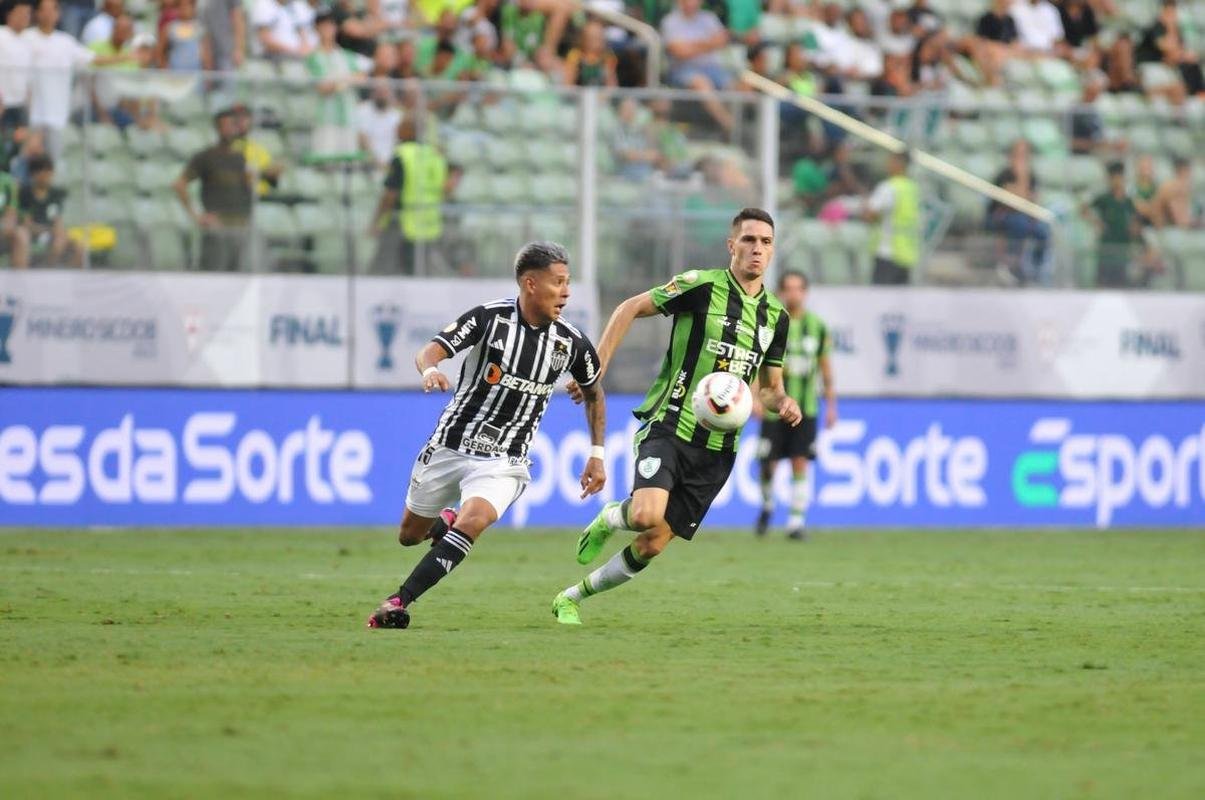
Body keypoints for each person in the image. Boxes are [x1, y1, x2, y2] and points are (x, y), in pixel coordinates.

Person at [552, 208, 802, 626]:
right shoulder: (700, 286)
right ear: (731, 245)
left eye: (765, 242)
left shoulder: (776, 317)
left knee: (652, 543)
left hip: (719, 450)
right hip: (671, 424)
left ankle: (572, 596)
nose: (757, 249)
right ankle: (612, 516)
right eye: (749, 240)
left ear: (772, 250)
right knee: (646, 514)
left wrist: (784, 402)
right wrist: (596, 369)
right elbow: (629, 307)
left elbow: (769, 389)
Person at [367, 241, 607, 629]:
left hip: (505, 460)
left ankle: (399, 600)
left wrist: (596, 453)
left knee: (474, 520)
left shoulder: (571, 342)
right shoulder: (488, 319)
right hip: (450, 445)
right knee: (410, 535)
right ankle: (444, 521)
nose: (566, 292)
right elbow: (430, 352)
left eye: (568, 283)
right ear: (530, 284)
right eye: (558, 282)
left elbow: (594, 391)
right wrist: (430, 371)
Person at [753, 270, 835, 540]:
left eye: (798, 288)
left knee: (800, 462)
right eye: (788, 288)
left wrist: (832, 406)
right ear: (782, 292)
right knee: (768, 465)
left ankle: (796, 522)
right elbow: (757, 364)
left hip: (806, 408)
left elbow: (825, 369)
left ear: (805, 292)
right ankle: (767, 505)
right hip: (773, 408)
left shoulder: (818, 326)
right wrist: (754, 398)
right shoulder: (771, 322)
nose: (793, 293)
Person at [369, 115, 453, 274]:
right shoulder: (435, 154)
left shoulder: (402, 154)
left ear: (407, 132)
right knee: (421, 273)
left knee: (384, 271)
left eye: (400, 128)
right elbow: (445, 188)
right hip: (429, 223)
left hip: (402, 222)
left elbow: (390, 194)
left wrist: (377, 221)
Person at [172, 108, 254, 271]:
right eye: (228, 125)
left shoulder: (241, 158)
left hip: (241, 226)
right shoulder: (206, 157)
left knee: (238, 280)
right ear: (218, 128)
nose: (232, 129)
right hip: (216, 228)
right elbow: (179, 184)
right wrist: (196, 216)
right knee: (214, 275)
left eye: (235, 125)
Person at [22, 0, 95, 161]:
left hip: (57, 116)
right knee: (26, 161)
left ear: (58, 13)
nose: (48, 14)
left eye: (52, 10)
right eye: (44, 10)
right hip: (30, 116)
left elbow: (92, 59)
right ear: (37, 13)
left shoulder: (66, 42)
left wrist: (129, 56)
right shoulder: (26, 38)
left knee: (51, 163)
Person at [306, 5, 368, 158]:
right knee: (326, 162)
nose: (328, 29)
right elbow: (323, 88)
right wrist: (347, 80)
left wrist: (339, 82)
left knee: (348, 164)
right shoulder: (314, 57)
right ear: (316, 28)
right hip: (326, 120)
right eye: (323, 26)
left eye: (331, 25)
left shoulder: (347, 56)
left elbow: (362, 77)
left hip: (348, 118)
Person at [661, 0, 733, 131]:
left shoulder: (709, 18)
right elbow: (680, 52)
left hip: (713, 68)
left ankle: (743, 123)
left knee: (739, 84)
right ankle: (731, 127)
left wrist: (692, 46)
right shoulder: (670, 21)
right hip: (682, 71)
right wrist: (709, 44)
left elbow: (722, 40)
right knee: (701, 83)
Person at [988, 138, 1050, 285]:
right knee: (1019, 224)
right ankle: (1012, 266)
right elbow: (1013, 203)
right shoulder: (1004, 175)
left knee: (1043, 231)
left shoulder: (1032, 176)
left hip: (1025, 217)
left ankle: (1037, 269)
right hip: (1003, 216)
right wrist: (1022, 178)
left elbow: (1033, 201)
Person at [864, 149, 921, 285]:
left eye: (890, 161)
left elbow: (870, 215)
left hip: (888, 252)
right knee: (900, 301)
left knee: (881, 300)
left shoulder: (888, 187)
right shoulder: (912, 188)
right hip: (906, 253)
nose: (887, 164)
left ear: (898, 164)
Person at [1083, 161, 1140, 288]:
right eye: (1114, 177)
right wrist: (1096, 222)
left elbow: (1135, 218)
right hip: (1107, 245)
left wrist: (1133, 228)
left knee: (1121, 280)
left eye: (1119, 177)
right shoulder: (1104, 199)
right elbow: (1084, 209)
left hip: (1123, 245)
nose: (1117, 181)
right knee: (1103, 280)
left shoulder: (1128, 201)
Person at [18, 154, 81, 266]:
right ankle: (47, 270)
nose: (46, 175)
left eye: (49, 171)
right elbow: (26, 224)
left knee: (78, 248)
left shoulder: (56, 194)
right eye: (42, 171)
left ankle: (59, 273)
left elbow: (57, 220)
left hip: (51, 235)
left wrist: (57, 231)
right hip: (32, 235)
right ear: (34, 174)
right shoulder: (25, 193)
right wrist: (47, 230)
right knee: (57, 241)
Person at [0, 0, 35, 137]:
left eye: (28, 13)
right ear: (10, 14)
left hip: (20, 104)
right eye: (21, 13)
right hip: (3, 103)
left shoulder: (29, 40)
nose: (25, 17)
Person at [563, 17, 617, 87]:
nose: (598, 42)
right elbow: (568, 82)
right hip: (579, 94)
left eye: (600, 37)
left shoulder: (607, 56)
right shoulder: (575, 55)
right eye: (593, 38)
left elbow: (611, 83)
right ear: (584, 38)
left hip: (600, 95)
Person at [157, 0, 207, 71]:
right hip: (175, 75)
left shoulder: (200, 28)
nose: (185, 9)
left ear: (193, 7)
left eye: (188, 6)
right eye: (181, 6)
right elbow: (160, 52)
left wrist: (207, 76)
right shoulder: (169, 28)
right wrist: (164, 69)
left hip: (196, 75)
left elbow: (206, 54)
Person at [1150, 158, 1196, 228]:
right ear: (1183, 171)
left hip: (1173, 226)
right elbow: (1179, 218)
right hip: (1163, 228)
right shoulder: (1171, 187)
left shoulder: (1184, 186)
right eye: (1188, 171)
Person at [1, 165, 30, 267]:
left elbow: (11, 213)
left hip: (3, 229)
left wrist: (6, 224)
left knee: (21, 235)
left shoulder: (6, 181)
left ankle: (20, 280)